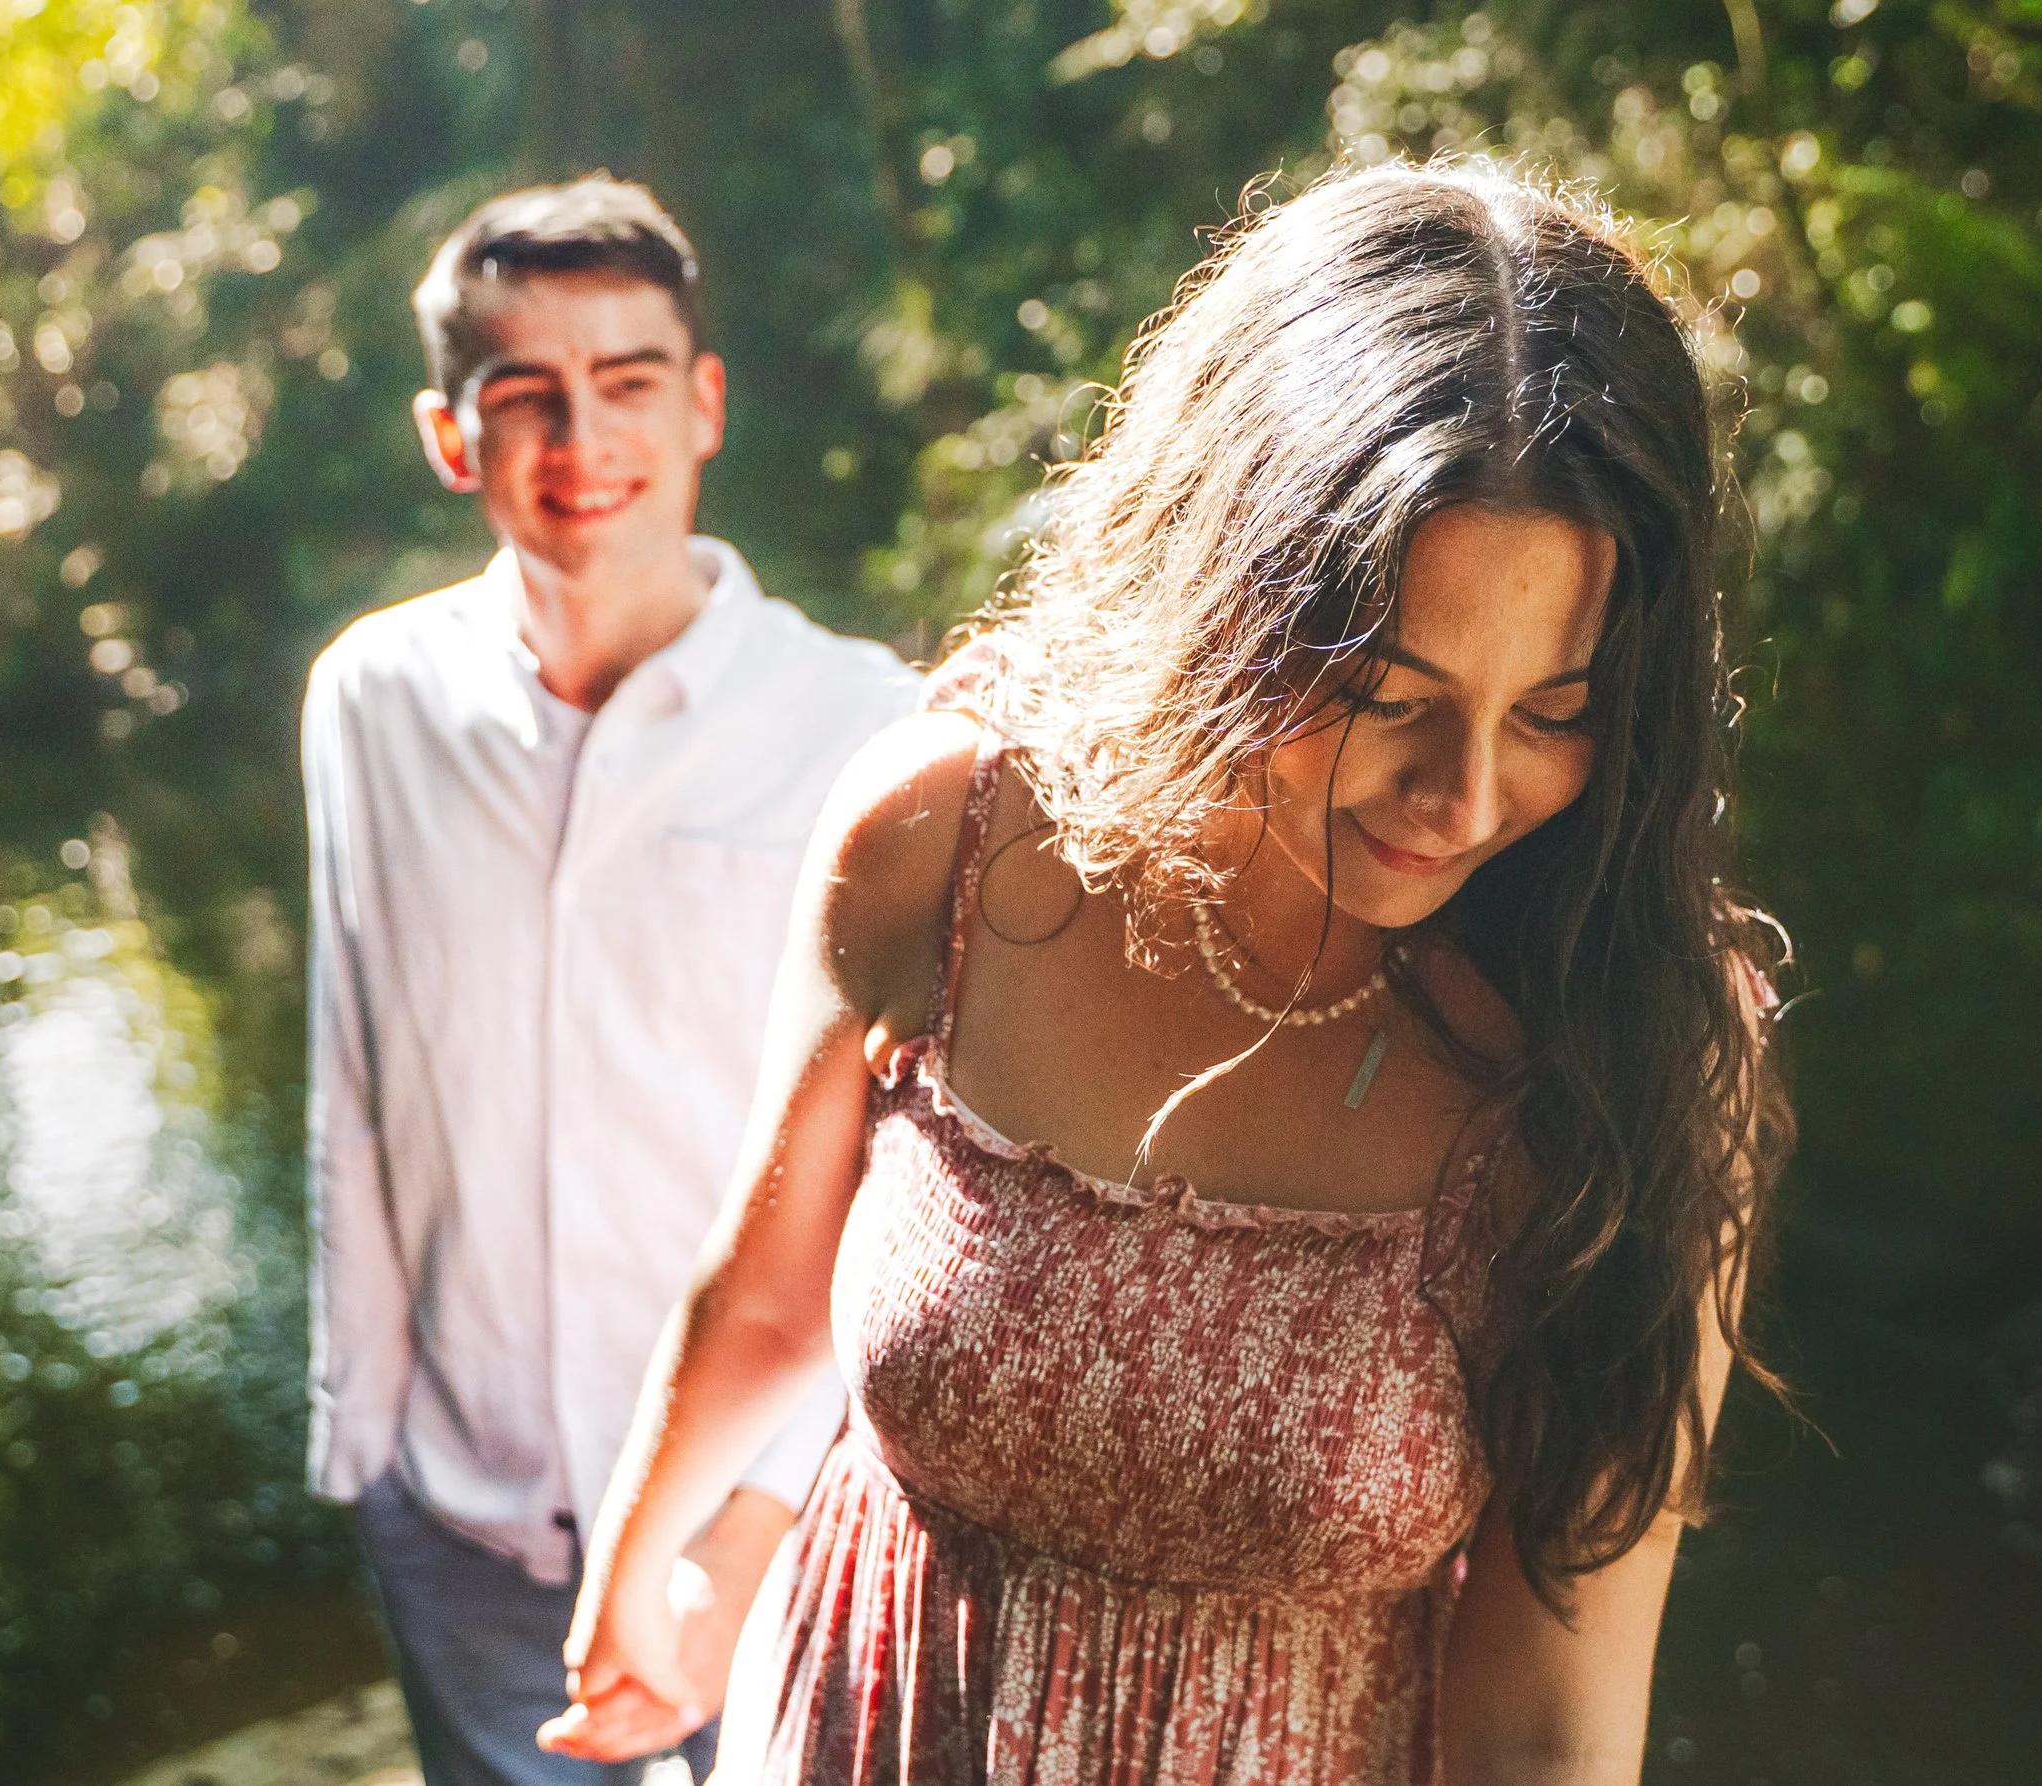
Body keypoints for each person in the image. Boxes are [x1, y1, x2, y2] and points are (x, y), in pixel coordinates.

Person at [540, 159, 1792, 1783]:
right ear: (1229, 594)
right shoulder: (955, 833)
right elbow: (767, 1286)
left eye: (1554, 711)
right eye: (1389, 693)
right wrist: (633, 1568)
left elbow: (1553, 1709)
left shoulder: (1633, 1059)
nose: (1464, 797)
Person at [301, 176, 917, 1786]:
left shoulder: (867, 723)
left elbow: (907, 1180)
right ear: (453, 437)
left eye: (629, 381)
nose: (583, 437)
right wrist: (362, 1444)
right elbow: (351, 1078)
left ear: (703, 404)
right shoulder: (369, 699)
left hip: (775, 1517)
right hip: (465, 1523)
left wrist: (756, 1522)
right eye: (526, 395)